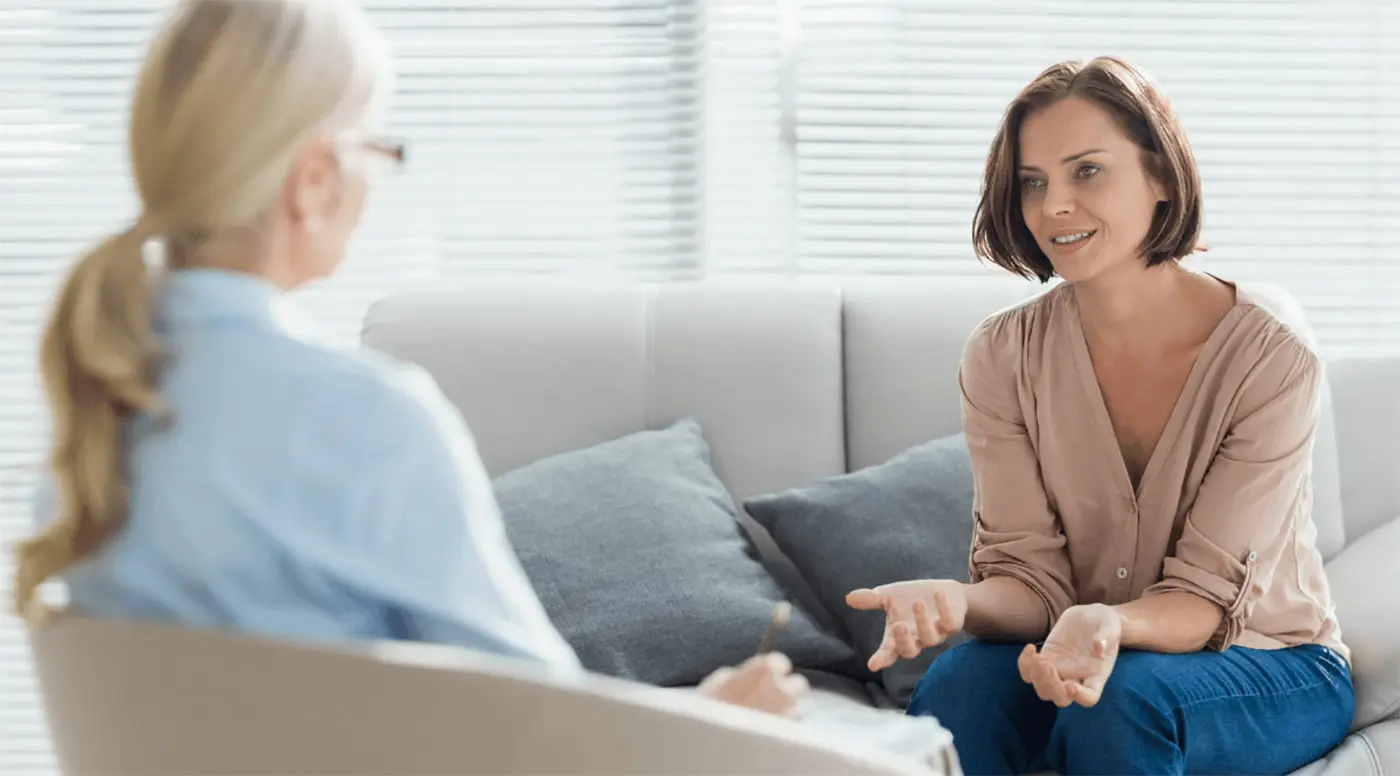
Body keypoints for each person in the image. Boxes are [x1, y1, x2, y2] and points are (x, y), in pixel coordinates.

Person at [12, 0, 806, 720]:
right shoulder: (366, 420)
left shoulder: (96, 424)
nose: (380, 178)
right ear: (314, 179)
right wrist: (711, 722)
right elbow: (543, 738)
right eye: (377, 145)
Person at [846, 56, 1354, 775]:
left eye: (1087, 171)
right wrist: (957, 602)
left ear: (1161, 179)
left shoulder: (1270, 361)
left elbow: (1205, 603)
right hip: (1080, 648)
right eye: (1033, 182)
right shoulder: (1002, 354)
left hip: (1267, 662)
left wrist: (1111, 624)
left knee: (1122, 698)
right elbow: (1032, 584)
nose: (1054, 205)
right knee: (957, 685)